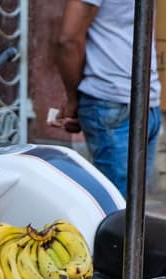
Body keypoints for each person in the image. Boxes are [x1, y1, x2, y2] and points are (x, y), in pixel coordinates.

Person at [55, 0, 161, 195]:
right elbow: (68, 41)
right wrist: (75, 98)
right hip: (125, 99)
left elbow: (67, 40)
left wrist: (73, 99)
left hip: (130, 100)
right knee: (125, 210)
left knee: (126, 210)